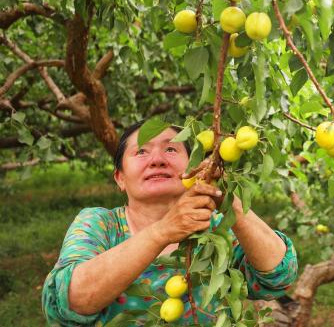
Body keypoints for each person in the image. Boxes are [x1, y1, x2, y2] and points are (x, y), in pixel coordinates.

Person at [42, 121, 298, 325]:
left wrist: (227, 200)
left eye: (171, 149)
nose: (157, 159)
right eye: (141, 151)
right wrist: (162, 232)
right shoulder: (100, 224)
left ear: (196, 167)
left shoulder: (215, 231)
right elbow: (68, 301)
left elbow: (278, 278)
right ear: (120, 178)